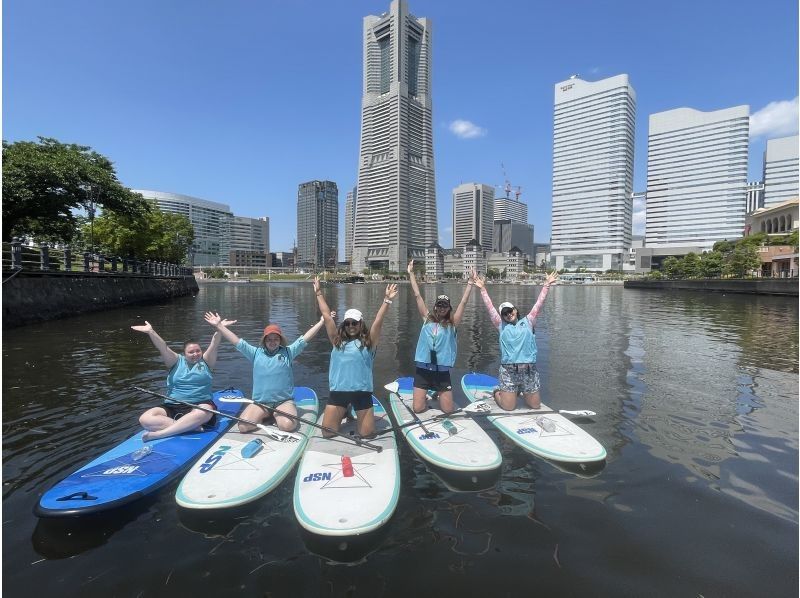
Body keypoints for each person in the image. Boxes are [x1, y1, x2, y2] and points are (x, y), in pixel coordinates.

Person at [204, 312, 326, 432]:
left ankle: (278, 415)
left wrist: (321, 322)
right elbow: (236, 341)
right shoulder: (255, 353)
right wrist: (219, 325)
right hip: (261, 403)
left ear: (280, 340)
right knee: (243, 427)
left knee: (287, 426)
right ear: (264, 340)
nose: (272, 342)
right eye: (269, 339)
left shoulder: (288, 352)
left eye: (276, 339)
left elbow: (306, 337)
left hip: (283, 401)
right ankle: (267, 416)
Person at [313, 276, 398, 438]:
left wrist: (386, 301)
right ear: (344, 325)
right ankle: (345, 410)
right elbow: (327, 316)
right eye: (348, 323)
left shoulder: (369, 342)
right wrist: (318, 292)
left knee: (367, 434)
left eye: (355, 323)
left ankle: (350, 410)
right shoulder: (336, 341)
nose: (351, 326)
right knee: (327, 434)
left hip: (362, 393)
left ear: (361, 324)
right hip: (339, 392)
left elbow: (378, 322)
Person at [472, 270, 560, 411]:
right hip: (509, 371)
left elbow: (539, 303)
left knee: (535, 406)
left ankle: (520, 391)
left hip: (529, 371)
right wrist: (482, 289)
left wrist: (546, 285)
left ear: (516, 310)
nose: (508, 314)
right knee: (509, 407)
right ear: (502, 316)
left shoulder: (529, 321)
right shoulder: (500, 325)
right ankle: (497, 391)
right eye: (504, 313)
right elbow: (490, 308)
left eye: (510, 310)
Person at [131, 321, 222, 441]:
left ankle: (161, 434)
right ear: (184, 354)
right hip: (172, 406)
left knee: (206, 410)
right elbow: (163, 347)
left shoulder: (206, 361)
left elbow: (214, 343)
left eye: (198, 351)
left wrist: (220, 327)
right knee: (145, 419)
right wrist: (151, 332)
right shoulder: (175, 361)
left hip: (198, 406)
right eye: (191, 352)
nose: (195, 354)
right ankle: (191, 427)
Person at [407, 260, 475, 413]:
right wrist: (411, 273)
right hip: (423, 371)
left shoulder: (452, 325)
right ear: (435, 307)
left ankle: (438, 394)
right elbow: (418, 295)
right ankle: (424, 395)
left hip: (442, 373)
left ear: (449, 308)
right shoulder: (427, 319)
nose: (442, 308)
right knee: (417, 409)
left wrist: (470, 282)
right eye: (439, 305)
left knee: (448, 411)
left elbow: (463, 303)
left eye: (445, 305)